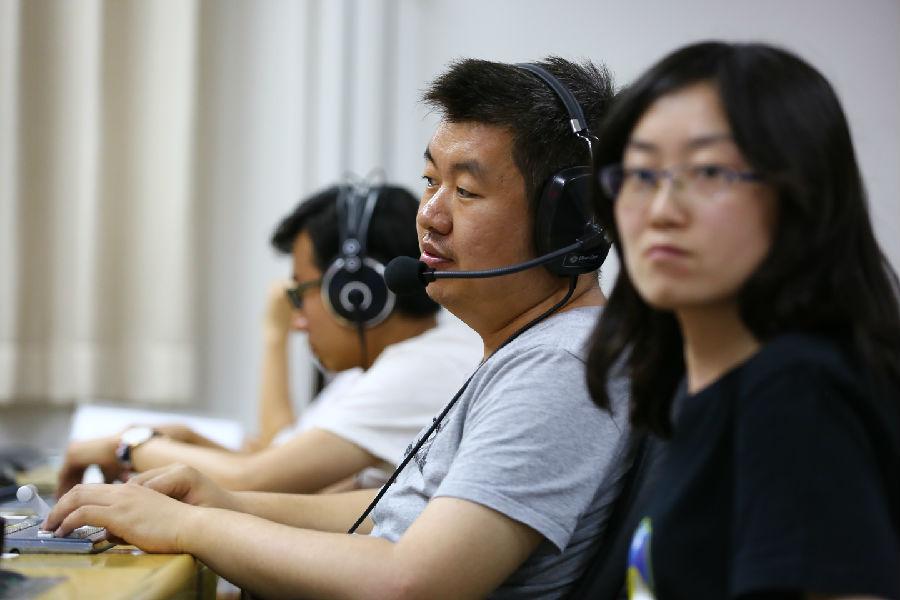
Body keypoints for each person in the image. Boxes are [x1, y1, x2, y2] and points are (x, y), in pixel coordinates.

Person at [45, 56, 631, 598]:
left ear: (567, 221)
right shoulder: (527, 351)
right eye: (431, 181)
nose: (430, 215)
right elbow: (395, 514)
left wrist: (190, 527)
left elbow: (411, 582)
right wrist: (224, 502)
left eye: (466, 190)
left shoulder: (559, 366)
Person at [586, 41, 900, 598]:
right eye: (640, 174)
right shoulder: (696, 384)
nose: (661, 211)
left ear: (800, 191)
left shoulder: (796, 386)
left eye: (710, 171)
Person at [57, 184, 482, 496]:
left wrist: (127, 446)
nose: (297, 321)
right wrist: (186, 438)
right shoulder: (383, 368)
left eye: (301, 294)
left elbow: (255, 481)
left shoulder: (420, 369)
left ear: (356, 293)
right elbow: (280, 460)